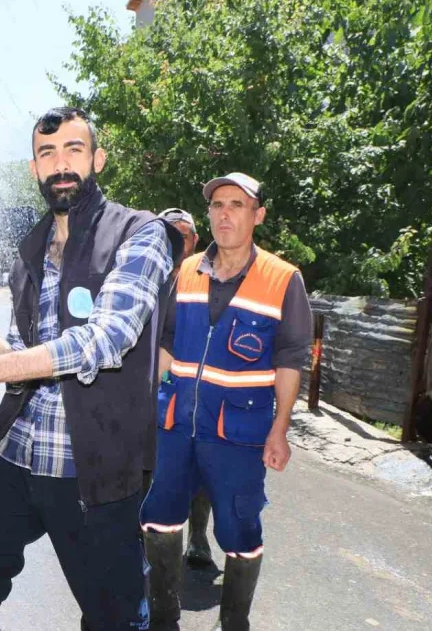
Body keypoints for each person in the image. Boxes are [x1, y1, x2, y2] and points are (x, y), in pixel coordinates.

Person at [0, 107, 182, 631]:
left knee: (114, 618)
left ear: (97, 159)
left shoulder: (140, 234)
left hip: (92, 469)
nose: (61, 164)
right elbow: (28, 357)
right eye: (47, 153)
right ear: (35, 168)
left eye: (73, 150)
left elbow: (107, 339)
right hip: (17, 457)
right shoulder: (31, 248)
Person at [139, 173, 313, 631]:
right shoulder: (188, 270)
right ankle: (162, 618)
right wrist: (141, 404)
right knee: (159, 519)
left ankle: (234, 622)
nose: (225, 213)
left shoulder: (282, 279)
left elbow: (292, 358)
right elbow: (168, 343)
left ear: (257, 215)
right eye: (218, 204)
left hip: (238, 433)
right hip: (175, 424)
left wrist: (280, 428)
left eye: (237, 204)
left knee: (240, 532)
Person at [153, 208, 214, 569]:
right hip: (155, 386)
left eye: (183, 234)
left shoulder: (211, 279)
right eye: (168, 233)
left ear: (194, 241)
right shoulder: (145, 276)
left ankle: (198, 536)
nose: (176, 240)